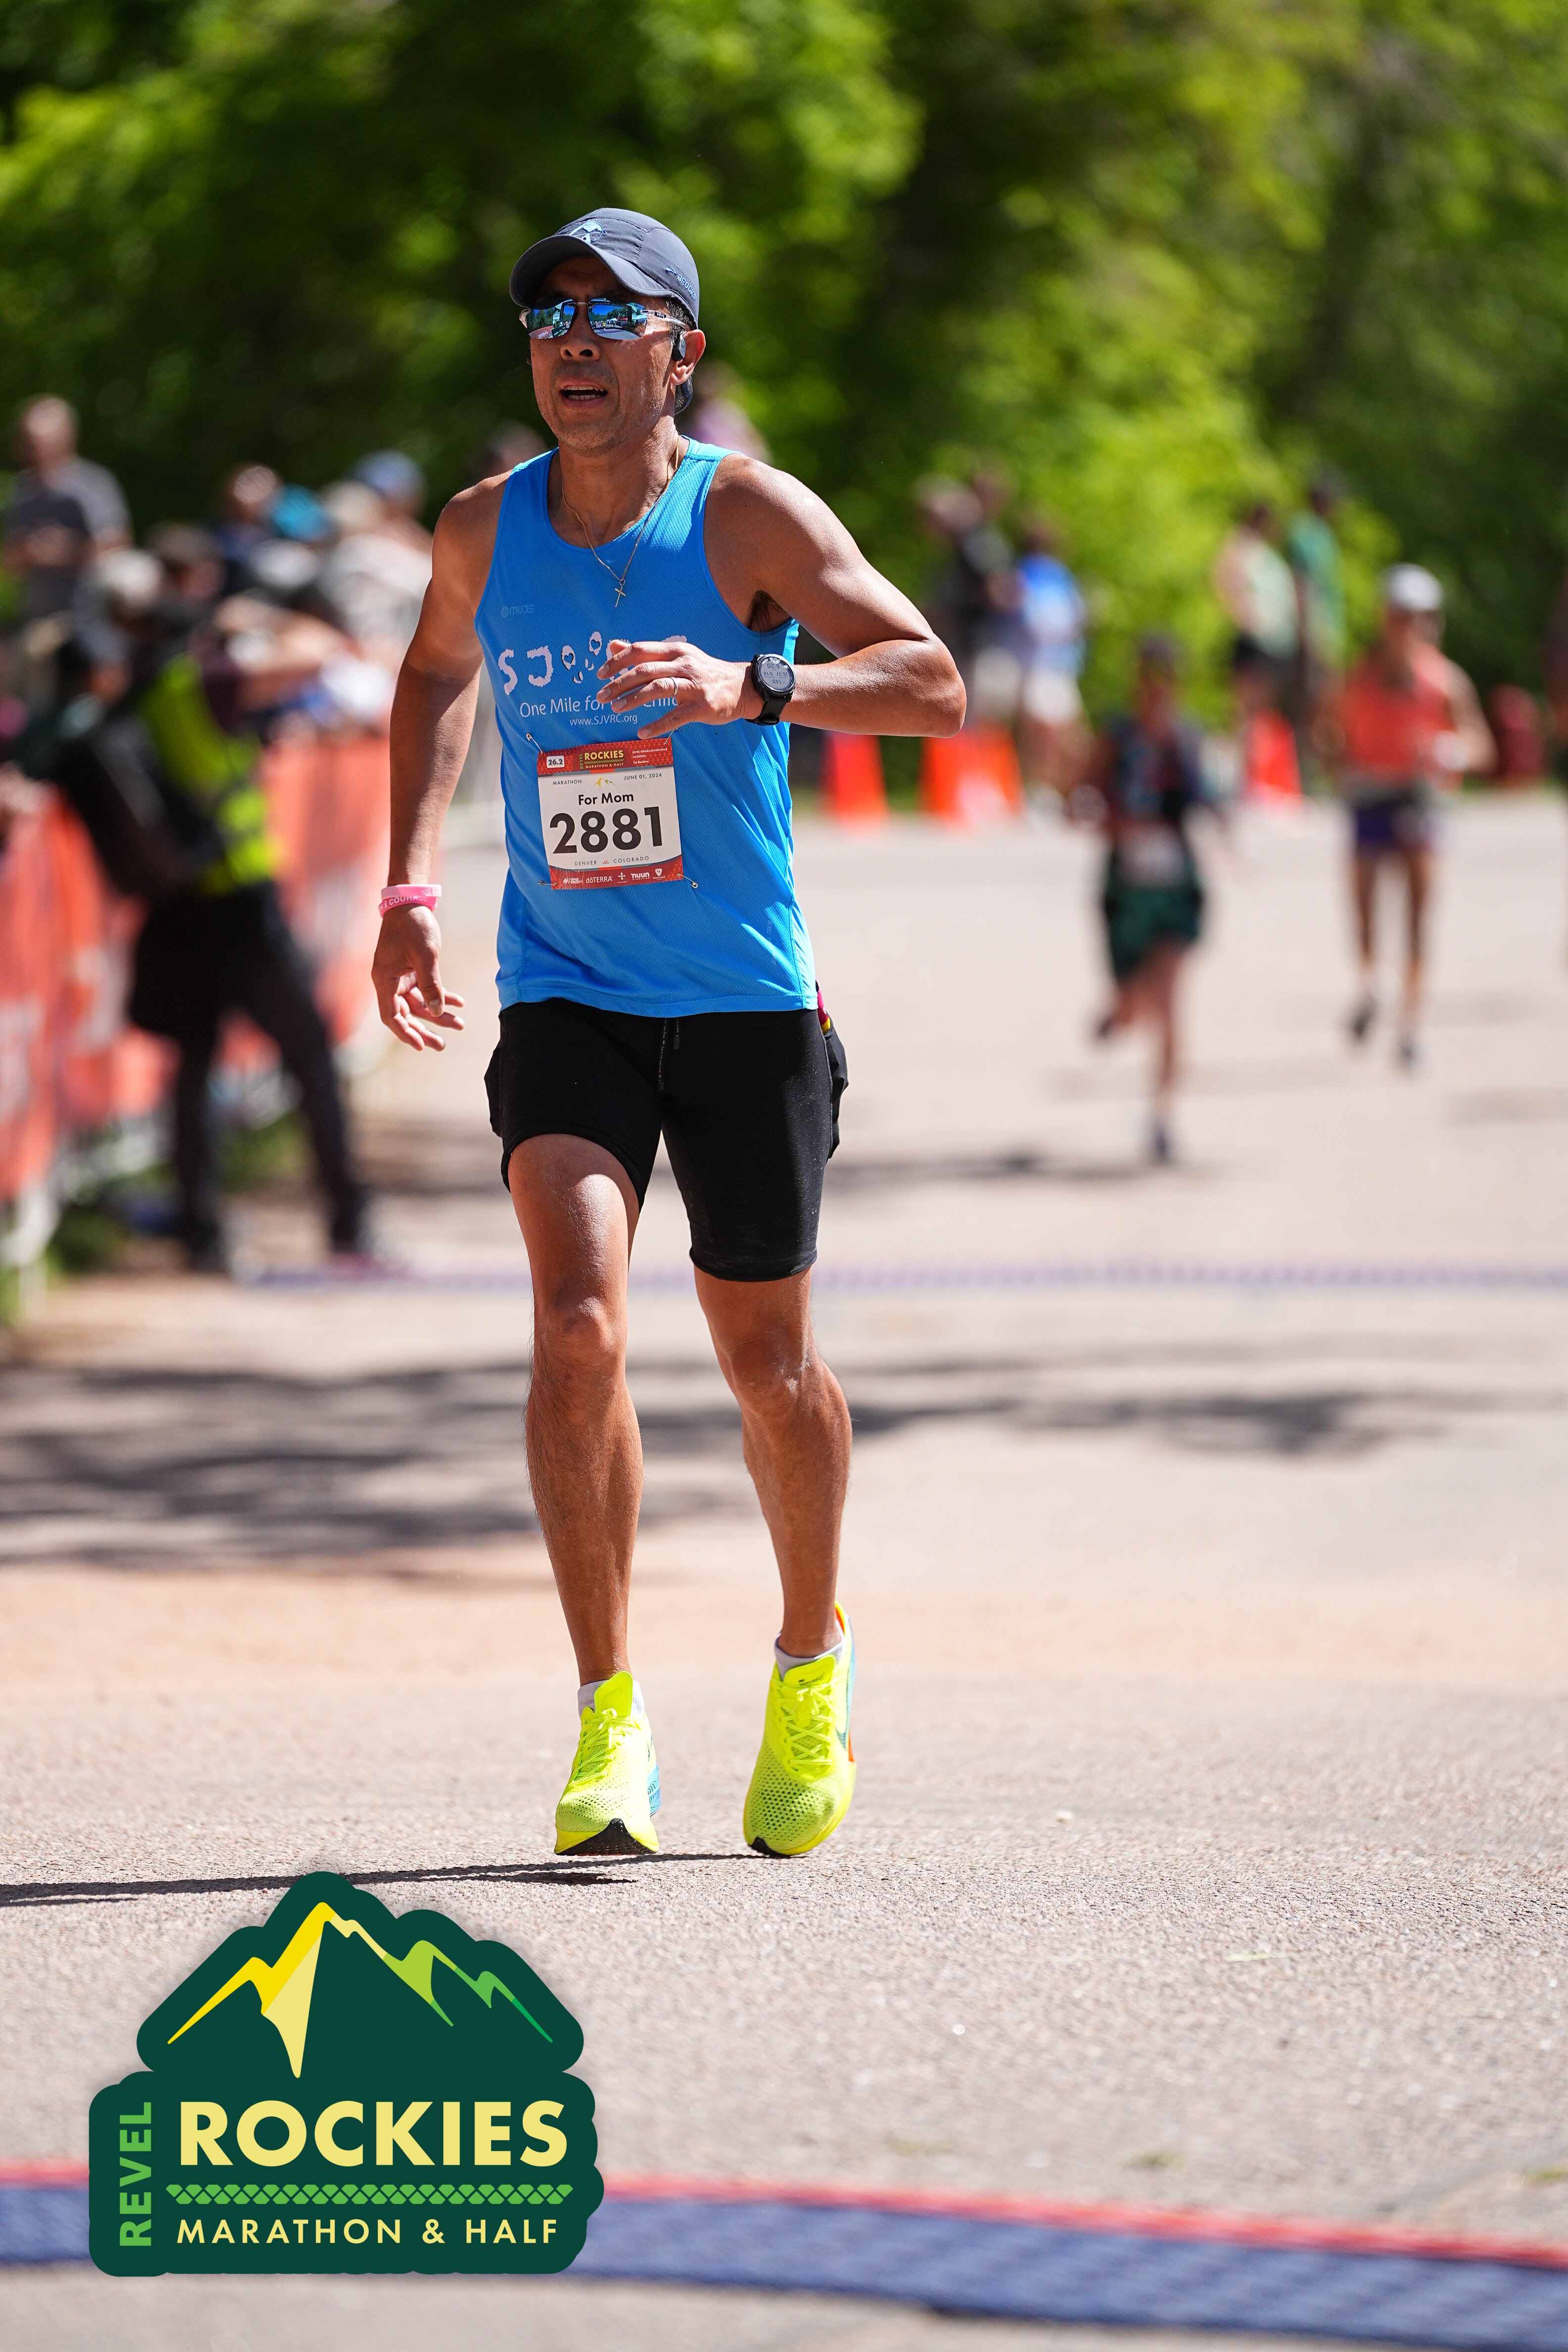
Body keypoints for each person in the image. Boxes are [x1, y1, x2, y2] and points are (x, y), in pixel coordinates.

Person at [373, 205, 964, 1862]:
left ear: (677, 355)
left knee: (767, 1364)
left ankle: (808, 1659)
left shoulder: (747, 514)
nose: (570, 342)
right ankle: (608, 1715)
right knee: (575, 1325)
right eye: (546, 317)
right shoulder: (482, 528)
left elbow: (931, 685)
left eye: (607, 316)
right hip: (566, 987)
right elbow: (432, 675)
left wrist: (751, 685)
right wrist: (409, 885)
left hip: (746, 1002)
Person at [96, 546, 376, 1269]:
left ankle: (201, 1233)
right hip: (241, 901)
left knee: (192, 1069)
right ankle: (349, 1224)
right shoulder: (204, 680)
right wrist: (255, 617)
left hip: (176, 906)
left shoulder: (133, 694)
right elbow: (317, 651)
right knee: (310, 1057)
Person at [1329, 564, 1493, 1069]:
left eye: (1421, 617)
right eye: (1402, 616)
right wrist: (1340, 766)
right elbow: (1330, 736)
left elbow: (1481, 745)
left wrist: (1450, 751)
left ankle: (1411, 1024)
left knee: (1419, 916)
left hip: (1420, 799)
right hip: (1371, 796)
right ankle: (1372, 984)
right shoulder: (1358, 680)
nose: (1411, 627)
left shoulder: (1445, 682)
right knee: (1364, 904)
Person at [1088, 635, 1221, 1163]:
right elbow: (1083, 794)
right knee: (1134, 1004)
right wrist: (1108, 819)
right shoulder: (1118, 738)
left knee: (1168, 1000)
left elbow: (1209, 799)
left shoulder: (1187, 740)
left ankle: (1163, 1116)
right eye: (1151, 677)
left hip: (1175, 889)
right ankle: (1121, 1009)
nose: (1158, 689)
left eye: (1167, 678)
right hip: (1126, 890)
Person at [2, 396, 131, 623]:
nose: (29, 448)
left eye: (36, 441)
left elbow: (118, 546)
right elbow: (10, 560)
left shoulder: (92, 484)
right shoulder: (21, 491)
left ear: (65, 438)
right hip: (38, 618)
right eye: (25, 439)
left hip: (90, 619)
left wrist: (66, 552)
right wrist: (26, 552)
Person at [1015, 517, 1089, 793]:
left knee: (1056, 734)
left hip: (1046, 666)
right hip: (1048, 666)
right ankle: (1041, 789)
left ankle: (1051, 789)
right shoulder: (1050, 576)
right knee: (1048, 733)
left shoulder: (1032, 575)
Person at [1286, 472, 1346, 750]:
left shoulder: (1325, 535)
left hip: (1328, 630)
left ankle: (1314, 758)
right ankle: (1303, 760)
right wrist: (1306, 629)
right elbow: (1300, 583)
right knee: (1311, 698)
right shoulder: (1305, 533)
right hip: (1315, 629)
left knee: (1327, 698)